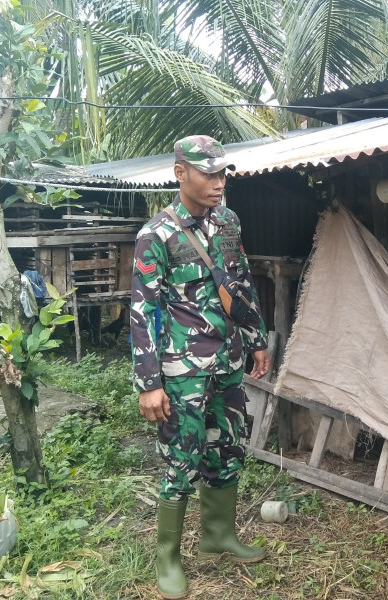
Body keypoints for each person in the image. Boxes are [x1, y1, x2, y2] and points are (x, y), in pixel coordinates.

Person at [130, 135, 271, 600]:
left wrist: (256, 338)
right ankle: (167, 556)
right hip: (182, 369)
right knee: (180, 458)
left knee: (227, 446)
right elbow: (143, 311)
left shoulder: (228, 221)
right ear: (180, 173)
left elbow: (241, 280)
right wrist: (149, 383)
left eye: (222, 173)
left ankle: (218, 535)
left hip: (228, 359)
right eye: (208, 173)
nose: (218, 182)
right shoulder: (156, 236)